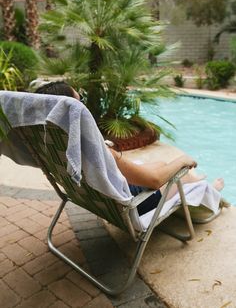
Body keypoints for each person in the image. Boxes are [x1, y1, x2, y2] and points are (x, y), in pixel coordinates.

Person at [35, 81, 225, 215]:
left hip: (100, 201)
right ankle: (209, 189)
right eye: (80, 101)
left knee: (159, 162)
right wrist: (182, 160)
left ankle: (201, 184)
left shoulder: (49, 145)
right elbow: (154, 180)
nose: (84, 105)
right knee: (184, 174)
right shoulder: (92, 149)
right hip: (132, 205)